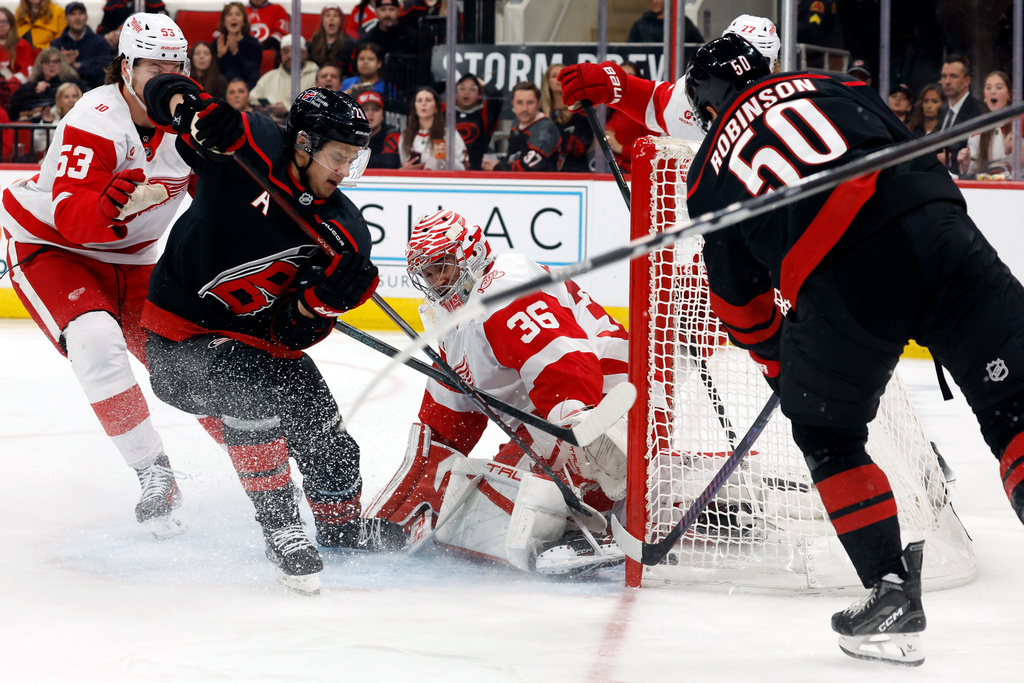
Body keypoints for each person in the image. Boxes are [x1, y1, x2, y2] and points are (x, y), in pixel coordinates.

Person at [681, 33, 1024, 667]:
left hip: (849, 282)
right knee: (1018, 410)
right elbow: (910, 152)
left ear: (706, 102)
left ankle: (891, 595)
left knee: (826, 433)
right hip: (940, 233)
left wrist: (786, 369)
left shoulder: (708, 174)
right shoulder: (839, 85)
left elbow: (738, 303)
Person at [138, 79, 400, 594]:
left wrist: (322, 302)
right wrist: (193, 113)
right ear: (303, 144)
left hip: (258, 342)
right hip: (177, 343)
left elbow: (289, 331)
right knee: (248, 386)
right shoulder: (253, 145)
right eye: (338, 157)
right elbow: (164, 94)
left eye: (354, 160)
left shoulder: (344, 233)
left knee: (326, 431)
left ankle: (340, 525)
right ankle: (281, 527)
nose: (345, 172)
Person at [0, 13, 200, 540]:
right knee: (94, 339)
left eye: (174, 64)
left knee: (192, 361)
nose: (166, 74)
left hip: (134, 260)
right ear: (126, 67)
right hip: (53, 248)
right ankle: (154, 472)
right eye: (154, 64)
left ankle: (265, 477)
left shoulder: (194, 119)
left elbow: (225, 202)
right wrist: (108, 206)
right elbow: (73, 219)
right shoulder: (97, 117)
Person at [364, 209, 628, 576]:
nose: (437, 280)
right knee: (471, 504)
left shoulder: (504, 289)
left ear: (469, 254)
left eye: (443, 266)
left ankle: (623, 508)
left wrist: (581, 431)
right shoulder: (455, 324)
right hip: (556, 415)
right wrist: (389, 515)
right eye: (427, 273)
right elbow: (446, 429)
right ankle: (585, 508)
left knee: (487, 515)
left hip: (613, 402)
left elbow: (567, 362)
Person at [556, 14, 781, 145]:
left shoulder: (787, 110)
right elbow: (660, 104)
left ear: (773, 66)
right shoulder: (696, 88)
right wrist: (617, 86)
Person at [481, 81, 559, 173]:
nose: (524, 108)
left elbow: (532, 165)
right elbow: (512, 157)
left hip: (543, 185)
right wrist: (496, 162)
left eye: (530, 103)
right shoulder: (517, 122)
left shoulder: (545, 127)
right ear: (512, 103)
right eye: (519, 102)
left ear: (539, 103)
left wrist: (498, 166)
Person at [249, 33, 318, 123]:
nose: (290, 55)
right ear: (280, 54)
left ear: (304, 53)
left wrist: (287, 111)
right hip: (272, 126)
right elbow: (253, 98)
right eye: (285, 51)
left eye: (295, 51)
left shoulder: (316, 76)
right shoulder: (270, 77)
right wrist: (261, 107)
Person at [604, 61, 657, 173]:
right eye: (621, 76)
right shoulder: (610, 106)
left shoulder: (646, 108)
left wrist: (620, 149)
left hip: (631, 171)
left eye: (630, 76)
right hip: (609, 165)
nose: (625, 79)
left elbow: (653, 149)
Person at [958, 71, 1013, 178]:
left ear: (1009, 94)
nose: (993, 92)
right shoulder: (978, 125)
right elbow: (973, 169)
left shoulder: (1019, 123)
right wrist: (965, 164)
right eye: (988, 88)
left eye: (999, 87)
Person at [398, 86, 466, 171]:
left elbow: (464, 168)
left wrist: (446, 158)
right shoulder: (405, 136)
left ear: (436, 108)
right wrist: (404, 169)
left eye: (428, 100)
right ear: (415, 108)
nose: (423, 104)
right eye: (419, 101)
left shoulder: (449, 134)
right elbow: (402, 166)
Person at [7, 47, 82, 123]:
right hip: (34, 125)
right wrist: (34, 91)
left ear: (61, 63)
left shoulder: (72, 83)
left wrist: (48, 90)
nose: (51, 65)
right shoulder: (31, 86)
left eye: (55, 61)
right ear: (40, 65)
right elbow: (13, 111)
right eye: (47, 62)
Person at [542, 63, 594, 173]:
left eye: (562, 75)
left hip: (575, 172)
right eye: (554, 75)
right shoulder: (541, 113)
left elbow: (581, 148)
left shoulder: (581, 111)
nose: (558, 79)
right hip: (545, 172)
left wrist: (555, 131)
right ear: (547, 82)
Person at [938, 54, 983, 175]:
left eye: (953, 76)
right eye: (944, 76)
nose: (947, 82)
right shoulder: (941, 111)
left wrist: (946, 159)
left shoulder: (978, 111)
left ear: (967, 81)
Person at [453, 73, 500, 171]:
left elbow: (497, 97)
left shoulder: (484, 114)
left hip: (477, 172)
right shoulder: (446, 113)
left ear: (480, 94)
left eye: (472, 89)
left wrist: (483, 84)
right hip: (451, 170)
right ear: (455, 93)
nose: (466, 92)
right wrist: (447, 83)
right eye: (462, 88)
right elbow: (427, 93)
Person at [215, 2, 263, 89]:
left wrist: (236, 53)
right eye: (229, 14)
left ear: (244, 21)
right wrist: (220, 56)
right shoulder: (217, 43)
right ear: (224, 21)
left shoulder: (254, 45)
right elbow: (212, 77)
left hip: (247, 91)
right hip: (222, 92)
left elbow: (253, 76)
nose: (234, 17)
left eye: (238, 14)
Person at [31, 79, 80, 154]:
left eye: (74, 96)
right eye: (66, 97)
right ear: (59, 100)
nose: (71, 100)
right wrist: (46, 124)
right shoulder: (50, 116)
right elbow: (39, 147)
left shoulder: (86, 118)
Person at [95, 1, 168, 50]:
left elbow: (167, 29)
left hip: (151, 49)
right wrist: (107, 36)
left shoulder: (156, 3)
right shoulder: (114, 3)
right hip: (120, 50)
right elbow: (101, 31)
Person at [627, 0, 703, 44]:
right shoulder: (640, 25)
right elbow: (629, 49)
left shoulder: (682, 23)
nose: (654, 2)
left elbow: (697, 47)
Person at [0, 7, 36, 99]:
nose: (1, 25)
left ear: (11, 24)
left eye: (5, 21)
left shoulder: (22, 45)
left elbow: (26, 73)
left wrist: (5, 88)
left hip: (15, 93)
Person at [357, 89, 398, 169]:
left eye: (375, 109)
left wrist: (358, 160)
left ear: (383, 114)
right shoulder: (349, 135)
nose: (370, 113)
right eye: (365, 110)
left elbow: (389, 163)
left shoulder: (392, 133)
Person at [307, 3, 351, 73]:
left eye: (335, 16)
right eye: (327, 15)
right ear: (322, 21)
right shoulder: (312, 44)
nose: (331, 19)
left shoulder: (349, 44)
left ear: (341, 22)